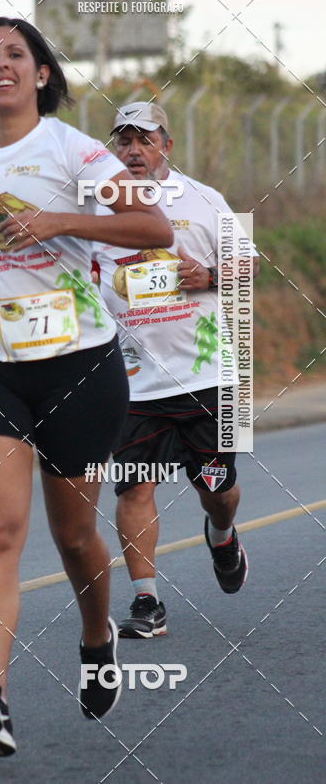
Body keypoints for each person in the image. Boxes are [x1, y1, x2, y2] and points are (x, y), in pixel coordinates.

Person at [0, 22, 173, 756]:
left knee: (73, 534)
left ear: (40, 75)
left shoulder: (75, 151)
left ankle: (96, 640)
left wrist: (58, 220)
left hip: (78, 366)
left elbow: (153, 226)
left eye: (14, 55)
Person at [92, 101, 259, 639]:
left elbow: (249, 264)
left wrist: (207, 275)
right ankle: (147, 601)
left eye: (145, 139)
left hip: (208, 374)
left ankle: (222, 533)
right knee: (133, 489)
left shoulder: (203, 198)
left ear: (166, 145)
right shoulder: (95, 207)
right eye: (123, 140)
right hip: (132, 380)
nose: (133, 150)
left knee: (218, 487)